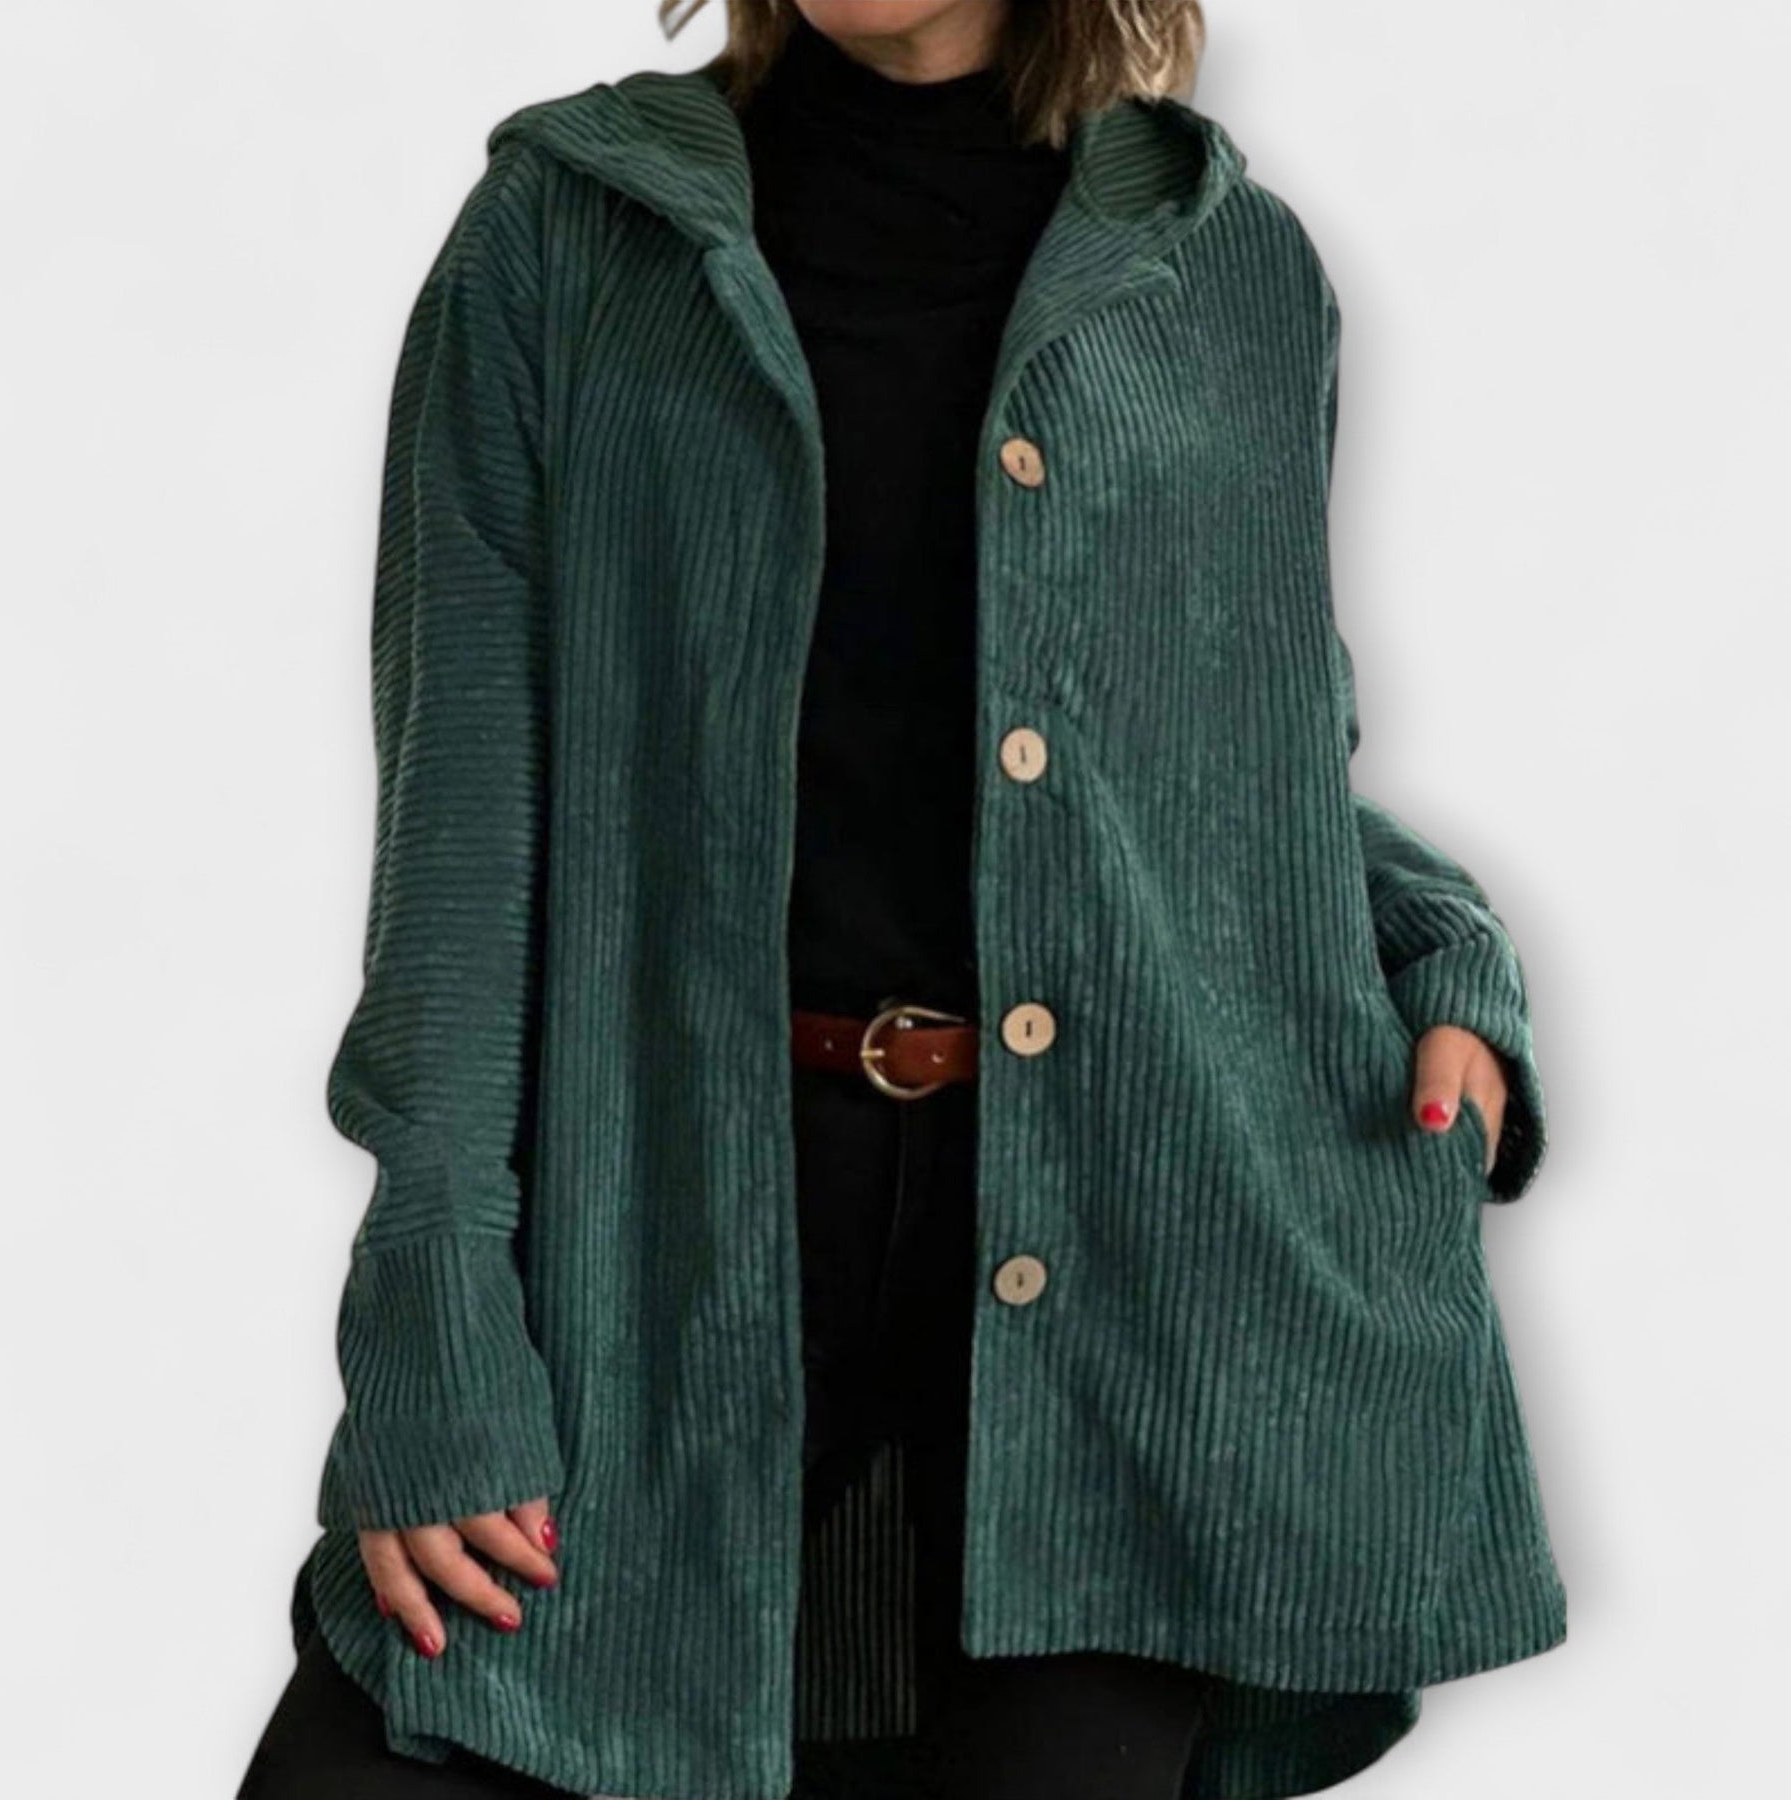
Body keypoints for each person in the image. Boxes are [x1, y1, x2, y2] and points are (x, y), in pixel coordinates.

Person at [238, 2, 1567, 1796]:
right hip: (668, 1246)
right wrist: (433, 1294)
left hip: (1130, 1289)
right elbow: (461, 816)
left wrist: (1435, 942)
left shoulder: (1232, 271)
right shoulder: (565, 240)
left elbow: (1238, 768)